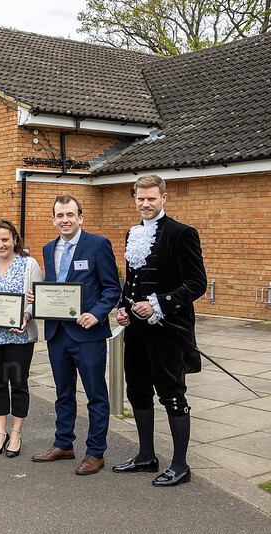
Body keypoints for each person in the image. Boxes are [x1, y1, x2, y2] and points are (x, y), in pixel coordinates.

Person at [114, 174, 206, 487]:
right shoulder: (132, 233)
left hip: (168, 330)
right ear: (135, 198)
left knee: (171, 392)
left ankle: (180, 465)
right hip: (137, 332)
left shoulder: (182, 234)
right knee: (137, 389)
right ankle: (146, 456)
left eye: (152, 198)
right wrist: (124, 308)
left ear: (163, 198)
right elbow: (133, 281)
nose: (145, 204)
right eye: (140, 198)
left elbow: (196, 283)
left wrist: (159, 303)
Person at [31, 195, 121, 475]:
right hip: (57, 333)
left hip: (88, 334)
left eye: (70, 214)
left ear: (80, 217)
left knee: (96, 394)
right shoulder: (48, 248)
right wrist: (39, 297)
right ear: (54, 219)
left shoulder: (98, 244)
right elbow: (55, 288)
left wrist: (96, 313)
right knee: (63, 392)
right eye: (60, 215)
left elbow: (112, 288)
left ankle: (96, 451)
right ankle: (64, 443)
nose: (65, 220)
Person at [0, 219, 42, 458]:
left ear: (15, 240)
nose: (1, 244)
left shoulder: (28, 264)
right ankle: (0, 433)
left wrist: (26, 315)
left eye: (5, 239)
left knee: (19, 385)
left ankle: (16, 433)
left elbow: (37, 299)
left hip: (19, 336)